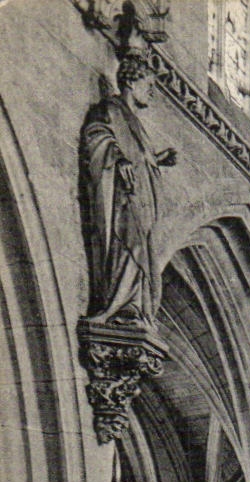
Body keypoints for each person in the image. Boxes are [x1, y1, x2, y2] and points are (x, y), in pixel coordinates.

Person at [79, 27, 175, 327]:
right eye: (149, 84)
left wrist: (157, 160)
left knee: (143, 252)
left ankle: (135, 306)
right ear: (132, 82)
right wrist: (118, 160)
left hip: (140, 200)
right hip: (123, 198)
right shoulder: (111, 109)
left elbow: (138, 158)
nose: (152, 92)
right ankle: (121, 305)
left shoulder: (136, 123)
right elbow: (98, 136)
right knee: (128, 246)